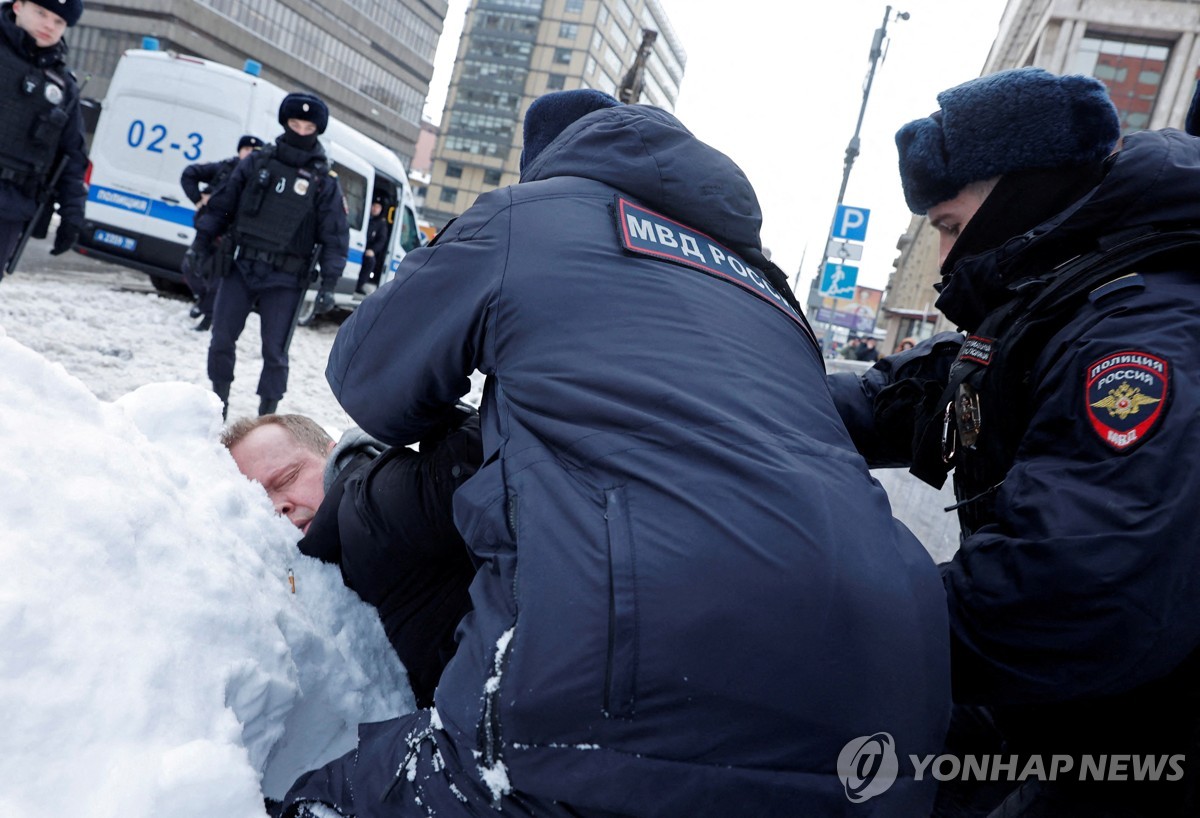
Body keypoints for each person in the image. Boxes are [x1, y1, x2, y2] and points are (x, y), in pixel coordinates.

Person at [276, 89, 951, 818]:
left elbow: (370, 383)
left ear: (549, 165)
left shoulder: (525, 218)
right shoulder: (771, 292)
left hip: (622, 685)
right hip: (888, 714)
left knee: (336, 798)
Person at [828, 67, 1200, 816]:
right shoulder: (1062, 302)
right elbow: (906, 394)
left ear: (1022, 193)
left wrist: (830, 626)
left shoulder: (1140, 335)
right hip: (1052, 704)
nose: (945, 262)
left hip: (1130, 742)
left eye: (952, 227)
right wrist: (736, 395)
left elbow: (1073, 593)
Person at [223, 407, 481, 708]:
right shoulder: (322, 563)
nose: (279, 506)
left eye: (287, 478)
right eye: (260, 503)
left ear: (333, 454)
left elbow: (487, 462)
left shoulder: (368, 504)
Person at [191, 93, 349, 419]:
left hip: (286, 279)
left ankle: (266, 420)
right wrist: (200, 245)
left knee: (275, 353)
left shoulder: (323, 181)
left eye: (308, 126)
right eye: (294, 124)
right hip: (241, 265)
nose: (301, 131)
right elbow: (222, 206)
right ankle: (218, 407)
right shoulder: (257, 162)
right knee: (221, 339)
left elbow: (334, 235)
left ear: (317, 130)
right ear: (284, 123)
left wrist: (330, 283)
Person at [0, 0, 87, 280]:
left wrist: (72, 215)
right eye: (41, 13)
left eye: (59, 22)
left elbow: (72, 155)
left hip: (10, 208)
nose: (49, 25)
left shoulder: (63, 85)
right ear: (17, 6)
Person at [180, 134, 264, 330]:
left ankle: (208, 316)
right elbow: (190, 174)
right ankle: (203, 302)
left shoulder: (257, 176)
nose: (249, 154)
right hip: (208, 227)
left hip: (229, 234)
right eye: (246, 150)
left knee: (216, 276)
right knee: (190, 266)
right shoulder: (225, 167)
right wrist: (198, 199)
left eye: (254, 152)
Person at [354, 192, 389, 295]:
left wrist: (372, 250)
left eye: (377, 207)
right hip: (358, 245)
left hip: (368, 249)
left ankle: (359, 285)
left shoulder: (381, 223)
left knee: (370, 261)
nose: (375, 209)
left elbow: (381, 240)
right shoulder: (362, 216)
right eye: (373, 206)